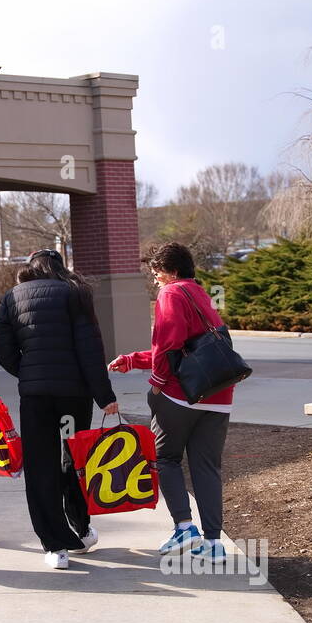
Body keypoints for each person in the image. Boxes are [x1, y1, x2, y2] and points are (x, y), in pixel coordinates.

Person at [109, 242, 235, 564]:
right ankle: (213, 543)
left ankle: (184, 527)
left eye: (156, 274)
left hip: (181, 395)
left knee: (164, 458)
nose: (155, 281)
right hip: (219, 395)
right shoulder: (202, 295)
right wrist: (134, 360)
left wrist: (157, 385)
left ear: (171, 271)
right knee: (207, 467)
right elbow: (190, 349)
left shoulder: (170, 294)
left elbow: (168, 346)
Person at [0, 249, 119, 569]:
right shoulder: (75, 293)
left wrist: (29, 371)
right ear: (60, 268)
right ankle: (82, 526)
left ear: (30, 270)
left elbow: (4, 350)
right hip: (72, 397)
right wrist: (104, 395)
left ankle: (54, 545)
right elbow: (91, 348)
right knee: (72, 458)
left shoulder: (12, 296)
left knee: (40, 466)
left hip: (36, 398)